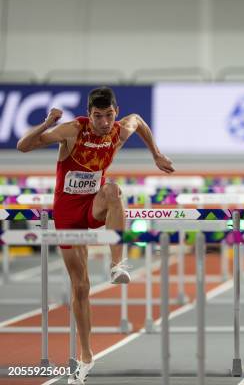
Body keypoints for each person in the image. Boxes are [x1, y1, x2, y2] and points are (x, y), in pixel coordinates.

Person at [17, 86, 174, 384]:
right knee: (81, 287)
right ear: (89, 115)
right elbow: (23, 146)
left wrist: (156, 154)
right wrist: (47, 123)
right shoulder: (73, 130)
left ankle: (118, 265)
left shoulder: (118, 131)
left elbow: (138, 119)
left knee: (114, 190)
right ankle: (86, 355)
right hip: (67, 213)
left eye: (109, 115)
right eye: (98, 116)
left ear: (115, 113)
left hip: (94, 205)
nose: (104, 122)